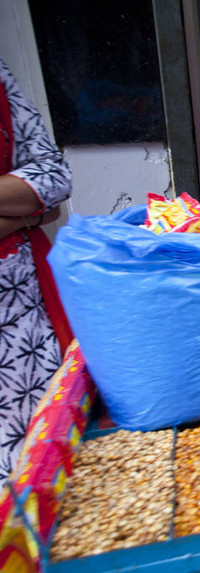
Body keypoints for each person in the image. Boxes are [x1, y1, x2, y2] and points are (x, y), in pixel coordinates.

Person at [0, 58, 73, 484]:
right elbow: (36, 202)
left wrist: (33, 209)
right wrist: (23, 212)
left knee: (47, 457)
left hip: (25, 318)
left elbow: (52, 181)